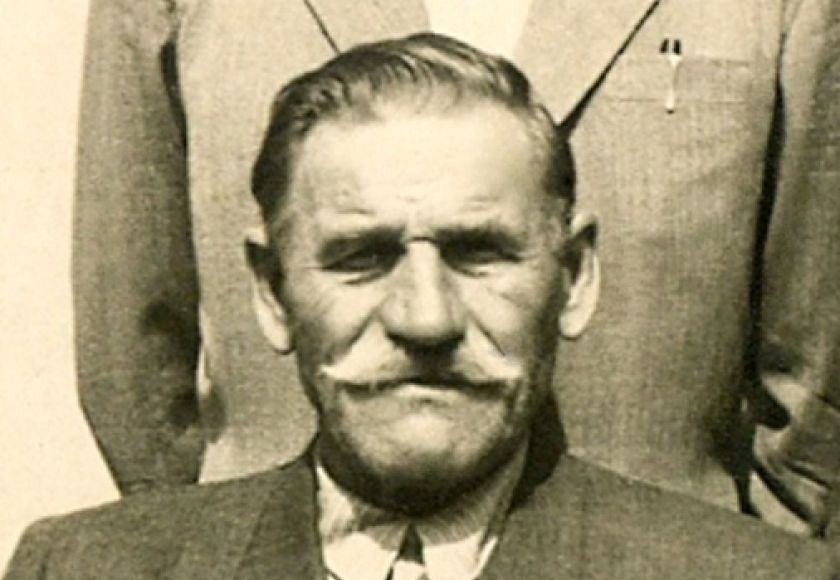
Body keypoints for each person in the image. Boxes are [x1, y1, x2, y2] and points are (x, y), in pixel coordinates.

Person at [7, 35, 837, 580]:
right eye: (360, 258)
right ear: (270, 291)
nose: (426, 318)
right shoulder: (84, 570)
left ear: (575, 277)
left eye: (479, 252)